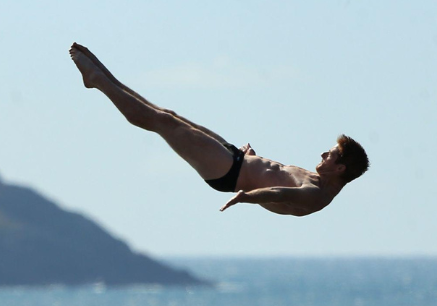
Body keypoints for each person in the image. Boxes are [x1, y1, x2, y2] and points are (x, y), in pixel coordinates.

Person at [68, 43, 368, 216]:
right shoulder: (315, 177)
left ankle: (99, 81)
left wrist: (245, 197)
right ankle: (103, 77)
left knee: (163, 123)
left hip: (228, 173)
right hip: (236, 158)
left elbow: (276, 191)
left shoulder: (317, 195)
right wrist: (254, 157)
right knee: (167, 115)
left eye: (331, 154)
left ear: (340, 167)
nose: (323, 153)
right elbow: (274, 173)